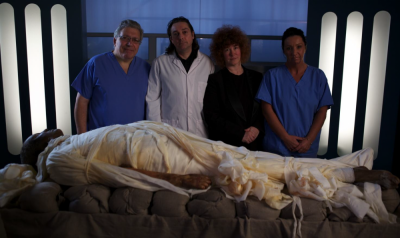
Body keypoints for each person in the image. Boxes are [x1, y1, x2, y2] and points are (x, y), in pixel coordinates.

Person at [7, 121, 399, 224]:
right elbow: (113, 175)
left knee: (248, 158)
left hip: (165, 140)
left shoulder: (65, 145)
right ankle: (349, 174)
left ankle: (349, 172)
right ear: (36, 148)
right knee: (250, 167)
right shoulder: (55, 163)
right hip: (158, 159)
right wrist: (176, 181)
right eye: (37, 133)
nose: (45, 128)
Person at [256, 27, 334, 157]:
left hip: (306, 149)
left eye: (299, 47)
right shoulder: (272, 76)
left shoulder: (318, 77)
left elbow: (322, 111)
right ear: (284, 51)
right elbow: (266, 110)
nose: (294, 52)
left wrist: (308, 141)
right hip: (277, 148)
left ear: (305, 48)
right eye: (289, 48)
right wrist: (285, 138)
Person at [72, 19, 150, 134]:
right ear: (115, 40)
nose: (130, 43)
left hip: (135, 140)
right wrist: (81, 137)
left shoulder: (145, 68)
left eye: (135, 40)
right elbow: (81, 102)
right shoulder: (96, 64)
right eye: (125, 38)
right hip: (100, 139)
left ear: (139, 44)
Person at [146, 16, 215, 138]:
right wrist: (156, 132)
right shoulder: (160, 63)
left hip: (200, 133)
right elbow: (152, 99)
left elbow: (212, 101)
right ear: (171, 39)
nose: (181, 37)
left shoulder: (207, 63)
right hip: (169, 132)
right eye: (176, 34)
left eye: (184, 32)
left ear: (192, 35)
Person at [204, 25, 264, 151]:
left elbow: (264, 110)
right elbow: (212, 116)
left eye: (235, 47)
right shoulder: (215, 80)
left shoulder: (257, 77)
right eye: (227, 49)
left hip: (255, 144)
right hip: (228, 146)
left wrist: (257, 128)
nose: (232, 53)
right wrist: (241, 134)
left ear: (242, 49)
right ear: (221, 54)